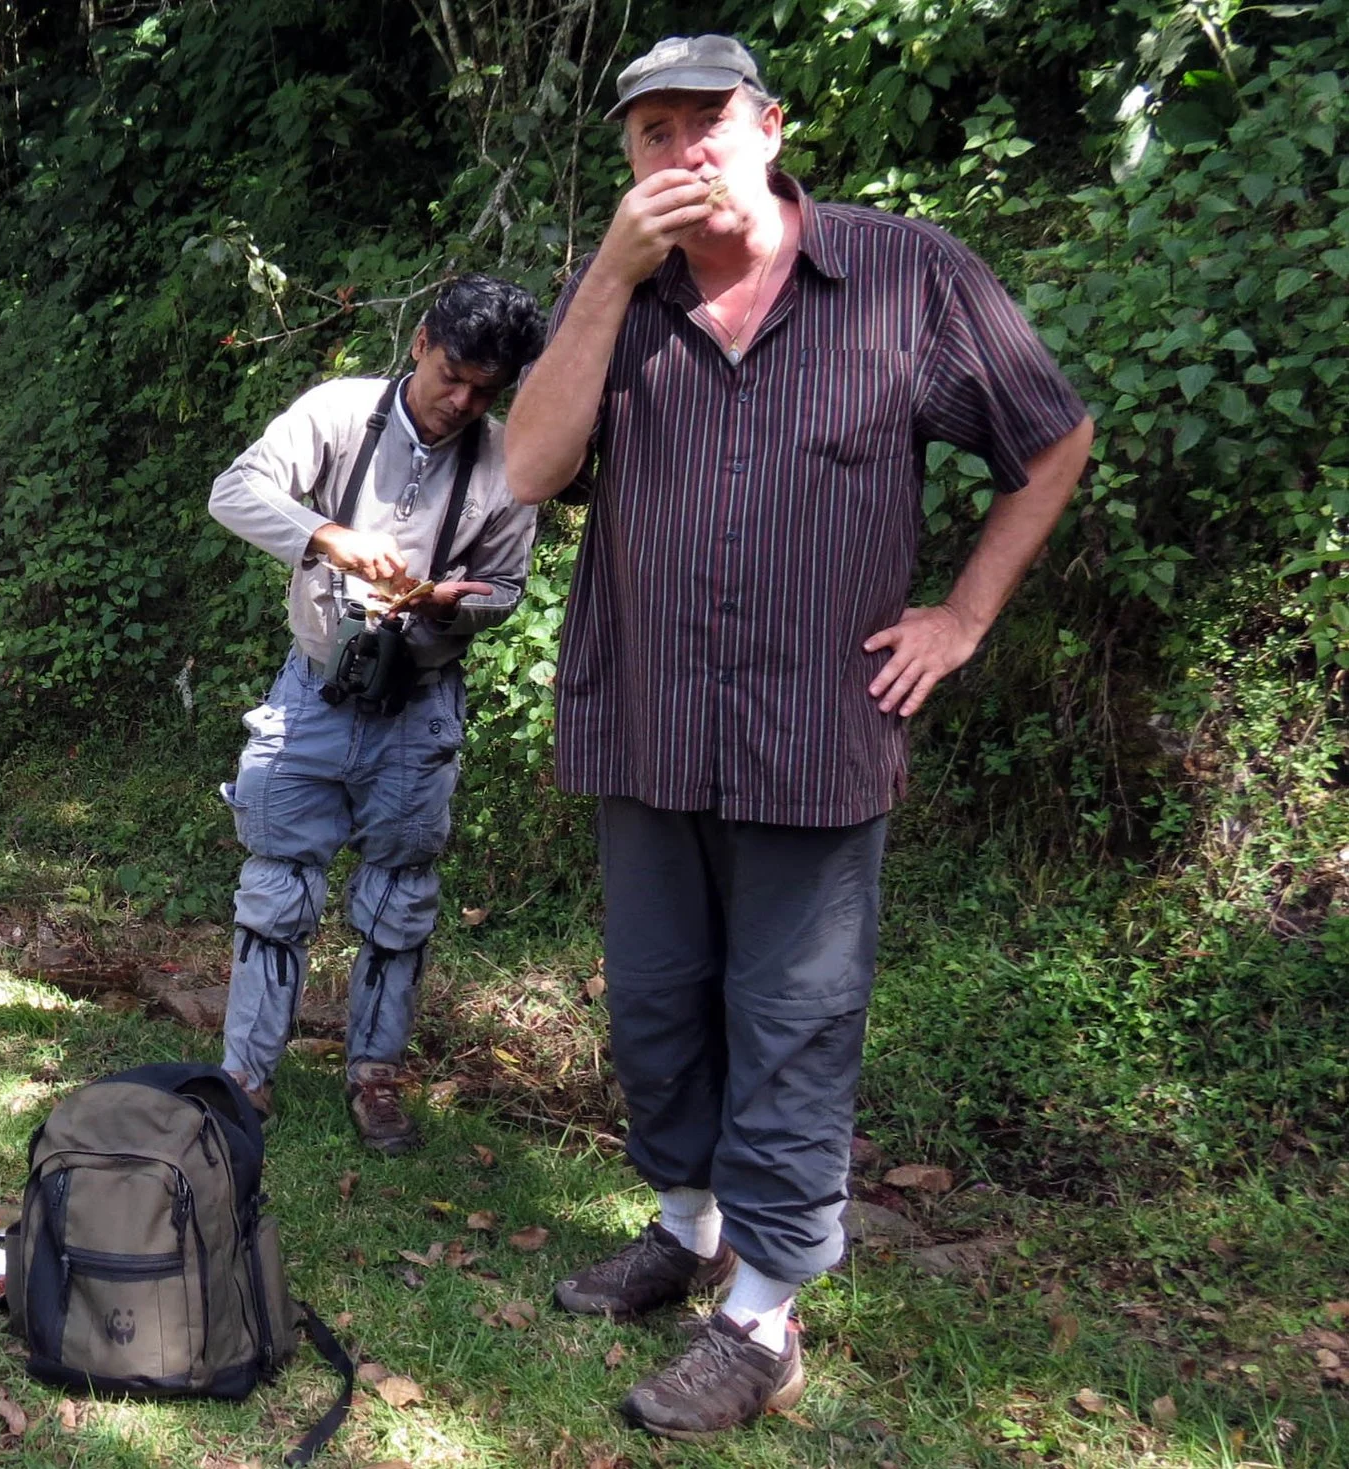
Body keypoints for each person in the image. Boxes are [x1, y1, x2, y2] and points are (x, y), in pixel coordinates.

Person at [501, 36, 1095, 1439]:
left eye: (704, 121)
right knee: (657, 1000)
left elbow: (1053, 438)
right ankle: (686, 1226)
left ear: (770, 126)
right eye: (650, 133)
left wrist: (962, 615)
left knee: (791, 1018)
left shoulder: (904, 273)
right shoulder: (620, 296)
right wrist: (606, 277)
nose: (680, 152)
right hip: (647, 716)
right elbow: (528, 466)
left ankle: (764, 1319)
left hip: (818, 727)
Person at [207, 273, 550, 1155]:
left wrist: (450, 603)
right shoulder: (337, 414)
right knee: (277, 886)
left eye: (485, 390)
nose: (461, 402)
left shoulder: (508, 461)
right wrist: (329, 539)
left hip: (420, 704)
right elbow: (233, 492)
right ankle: (245, 1078)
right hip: (313, 689)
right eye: (452, 376)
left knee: (401, 896)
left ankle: (375, 1076)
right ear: (421, 342)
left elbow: (507, 587)